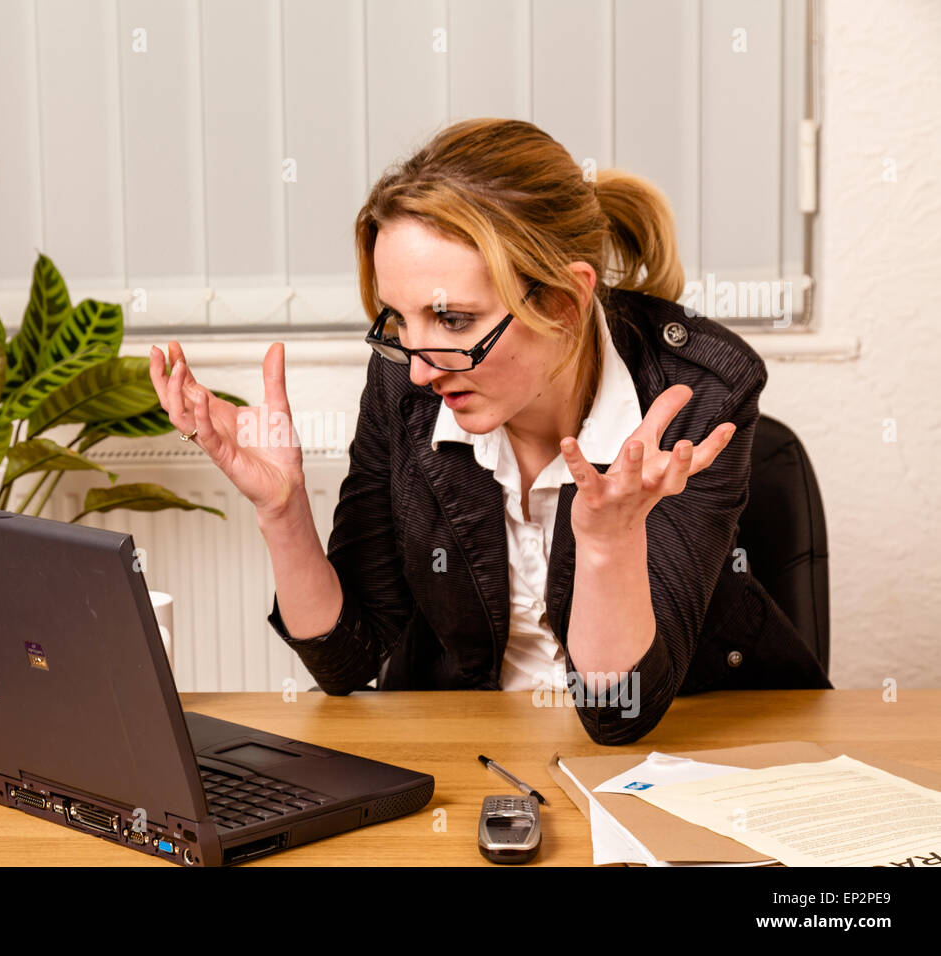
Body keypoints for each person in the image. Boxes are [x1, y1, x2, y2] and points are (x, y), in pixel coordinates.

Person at [147, 118, 830, 746]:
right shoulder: (406, 384)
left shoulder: (697, 392)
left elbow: (620, 713)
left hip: (693, 751)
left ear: (563, 303)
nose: (417, 370)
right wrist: (282, 510)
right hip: (473, 753)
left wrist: (607, 544)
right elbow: (345, 659)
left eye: (452, 322)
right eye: (398, 320)